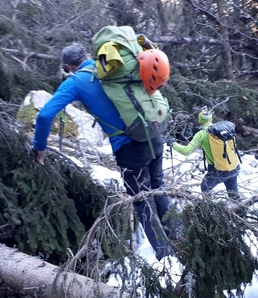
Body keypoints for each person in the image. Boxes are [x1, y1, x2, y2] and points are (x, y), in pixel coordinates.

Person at [33, 43, 174, 260]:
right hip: (154, 132)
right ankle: (179, 238)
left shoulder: (75, 81)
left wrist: (39, 149)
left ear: (69, 66)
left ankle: (165, 256)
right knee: (158, 187)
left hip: (129, 148)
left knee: (141, 199)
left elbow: (44, 116)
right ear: (89, 55)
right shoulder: (115, 66)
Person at [167, 108, 240, 200]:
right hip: (233, 166)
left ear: (200, 121)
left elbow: (186, 151)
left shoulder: (201, 134)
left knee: (205, 187)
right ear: (211, 119)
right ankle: (240, 211)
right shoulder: (222, 130)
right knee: (234, 194)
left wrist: (173, 144)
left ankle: (209, 210)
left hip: (217, 170)